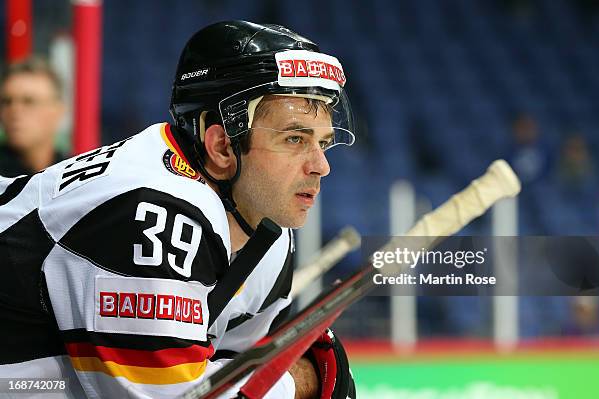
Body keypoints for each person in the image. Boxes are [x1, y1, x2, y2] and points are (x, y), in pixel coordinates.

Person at [0, 21, 356, 399]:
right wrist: (301, 382)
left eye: (323, 142)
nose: (321, 165)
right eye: (295, 138)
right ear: (220, 146)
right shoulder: (153, 210)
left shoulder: (264, 230)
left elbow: (234, 358)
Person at [0, 57, 66, 177]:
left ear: (58, 111)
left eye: (29, 101)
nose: (14, 111)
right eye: (7, 101)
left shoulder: (72, 173)